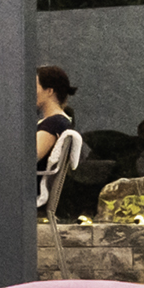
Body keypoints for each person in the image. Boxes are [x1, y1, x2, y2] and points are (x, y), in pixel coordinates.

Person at [33, 65, 87, 216]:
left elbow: (28, 159)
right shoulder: (58, 122)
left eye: (35, 86)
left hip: (24, 191)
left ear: (49, 91)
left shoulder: (53, 124)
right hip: (24, 188)